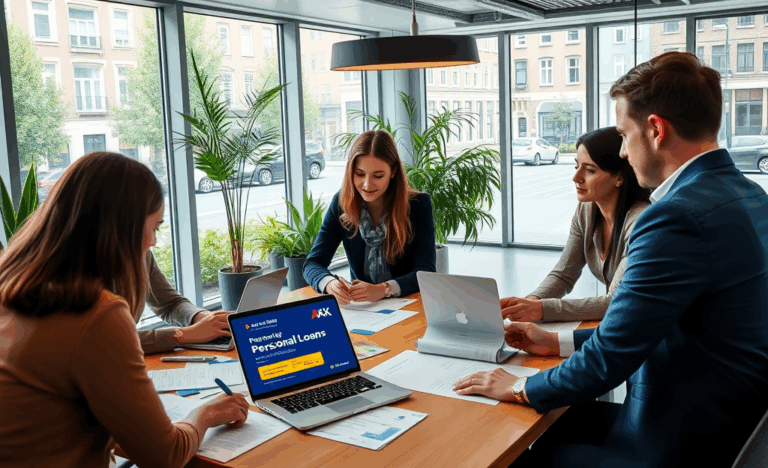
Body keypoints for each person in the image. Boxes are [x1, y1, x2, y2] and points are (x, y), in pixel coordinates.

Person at [453, 52, 768, 467]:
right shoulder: (750, 194)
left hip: (681, 437)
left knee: (516, 452)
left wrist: (519, 387)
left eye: (623, 135)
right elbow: (648, 323)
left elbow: (612, 356)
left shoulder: (675, 216)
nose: (622, 151)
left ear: (656, 130)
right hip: (731, 419)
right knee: (560, 424)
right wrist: (556, 341)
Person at [0, 152, 250, 467]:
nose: (154, 241)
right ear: (124, 227)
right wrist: (207, 413)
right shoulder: (96, 312)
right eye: (155, 227)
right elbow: (165, 455)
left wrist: (200, 319)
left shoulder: (15, 281)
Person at [500, 127, 650, 323]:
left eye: (589, 170)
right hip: (619, 322)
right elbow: (564, 275)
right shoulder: (586, 210)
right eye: (576, 166)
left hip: (648, 327)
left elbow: (615, 300)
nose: (576, 177)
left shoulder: (641, 221)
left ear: (619, 177)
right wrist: (530, 302)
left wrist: (543, 309)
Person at [303, 129, 436, 304]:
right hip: (363, 308)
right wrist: (329, 284)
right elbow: (312, 263)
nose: (367, 184)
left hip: (409, 303)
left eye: (378, 176)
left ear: (393, 171)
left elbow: (425, 272)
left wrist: (384, 289)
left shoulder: (418, 204)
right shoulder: (342, 203)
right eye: (360, 174)